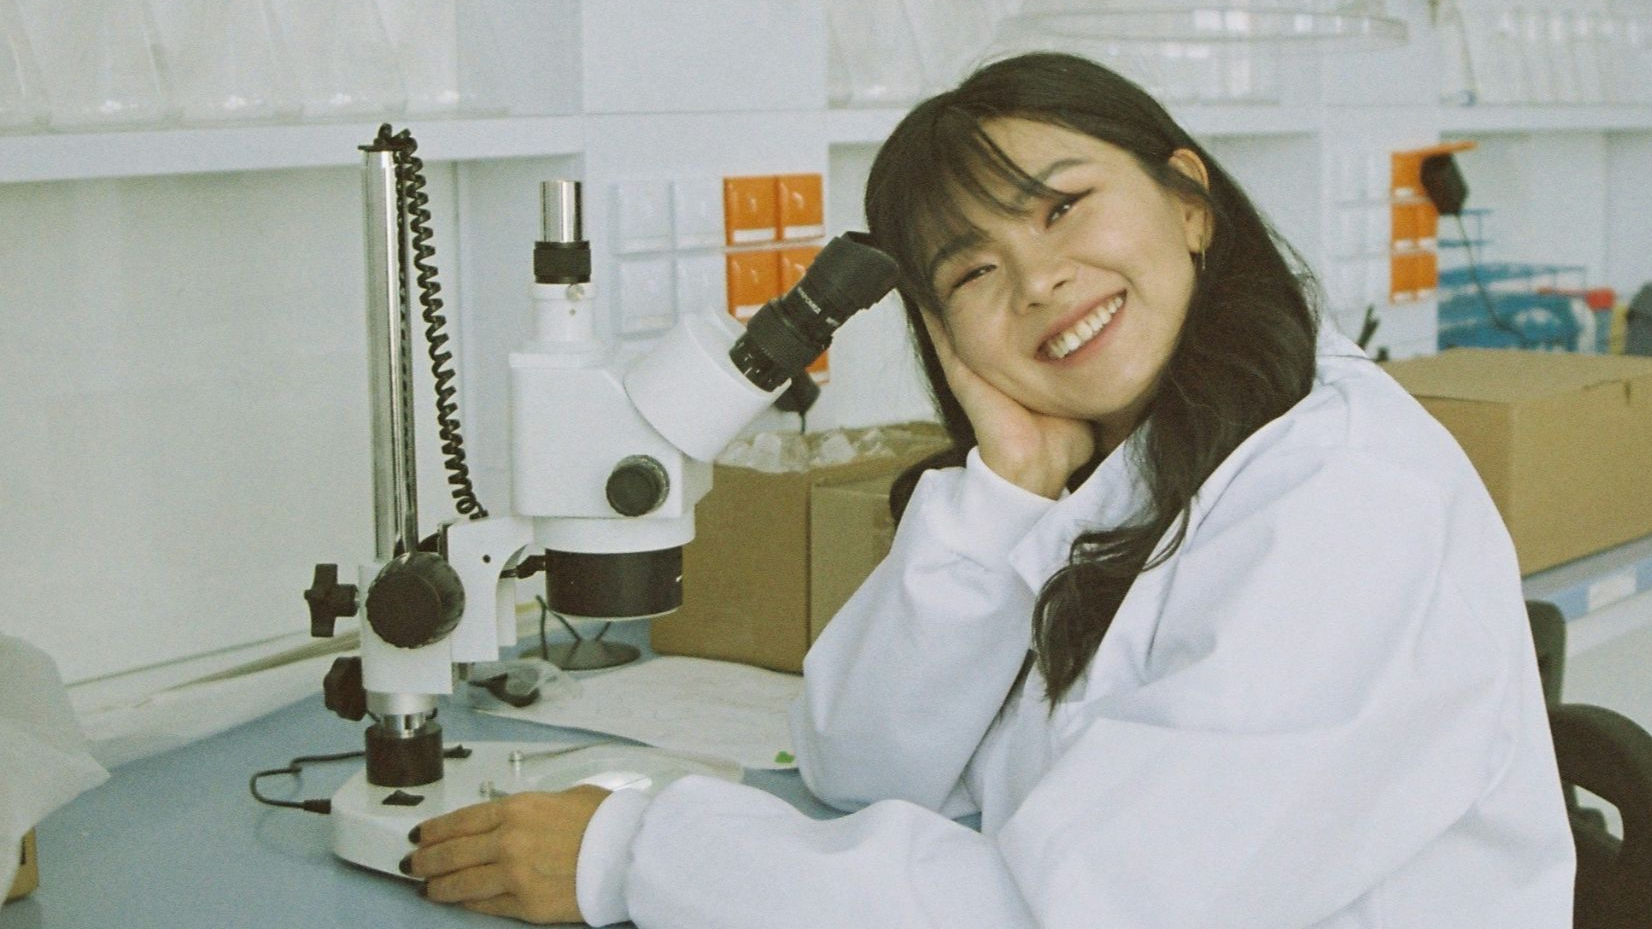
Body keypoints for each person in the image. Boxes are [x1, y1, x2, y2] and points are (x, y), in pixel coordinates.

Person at [402, 52, 1577, 926]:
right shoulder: (1125, 470)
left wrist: (634, 856)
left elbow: (1083, 914)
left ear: (1188, 200)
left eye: (1063, 207)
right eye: (973, 269)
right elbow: (854, 760)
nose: (1040, 280)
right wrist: (1005, 494)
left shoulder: (1342, 497)